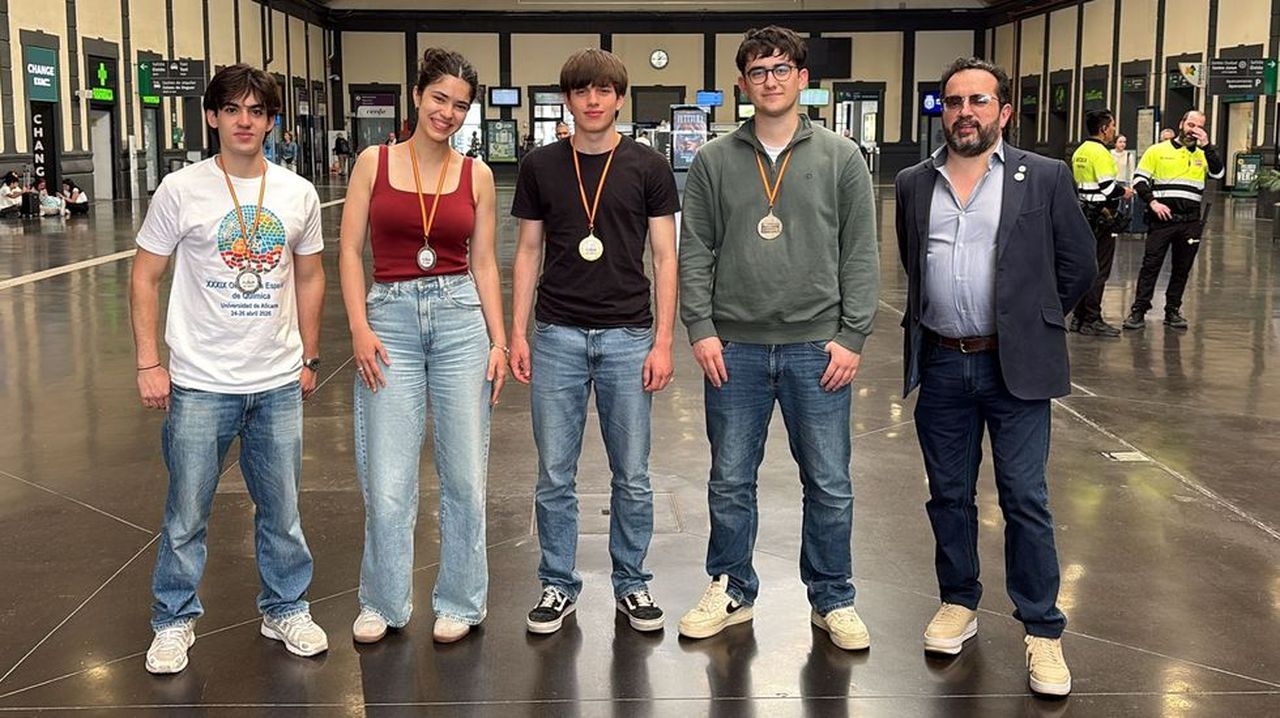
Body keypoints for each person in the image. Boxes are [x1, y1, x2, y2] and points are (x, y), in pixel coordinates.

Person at [893, 57, 1095, 697]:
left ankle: (1042, 630)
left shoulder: (1045, 178)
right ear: (942, 111)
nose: (966, 113)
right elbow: (911, 259)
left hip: (1016, 368)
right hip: (943, 361)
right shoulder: (913, 182)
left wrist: (1032, 320)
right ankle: (959, 601)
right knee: (947, 494)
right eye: (953, 102)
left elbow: (1079, 266)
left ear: (1004, 111)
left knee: (1024, 499)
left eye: (979, 101)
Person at [677, 26, 879, 650]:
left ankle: (833, 597)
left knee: (828, 481)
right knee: (730, 478)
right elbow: (696, 251)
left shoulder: (841, 157)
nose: (770, 79)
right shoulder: (713, 160)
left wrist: (852, 335)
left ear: (802, 79)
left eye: (782, 68)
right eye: (758, 70)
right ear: (742, 84)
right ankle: (731, 586)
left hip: (816, 350)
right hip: (733, 349)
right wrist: (702, 327)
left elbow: (860, 254)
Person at [129, 63, 328, 675]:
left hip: (274, 380)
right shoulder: (181, 189)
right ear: (213, 116)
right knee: (187, 511)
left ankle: (286, 607)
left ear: (272, 122)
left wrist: (309, 355)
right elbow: (145, 274)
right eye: (234, 110)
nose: (246, 121)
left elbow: (311, 274)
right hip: (200, 382)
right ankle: (173, 620)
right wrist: (148, 362)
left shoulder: (296, 192)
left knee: (283, 510)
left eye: (258, 111)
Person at [338, 48, 507, 646]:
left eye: (460, 105)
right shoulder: (373, 162)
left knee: (465, 474)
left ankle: (461, 599)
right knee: (387, 476)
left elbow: (485, 262)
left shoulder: (476, 175)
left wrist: (499, 340)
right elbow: (349, 252)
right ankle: (383, 600)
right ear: (417, 96)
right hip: (390, 319)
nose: (448, 113)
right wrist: (358, 326)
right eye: (439, 98)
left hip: (461, 319)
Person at [510, 47, 679, 635]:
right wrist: (517, 334)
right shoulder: (540, 165)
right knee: (555, 474)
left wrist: (662, 341)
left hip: (629, 336)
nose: (593, 101)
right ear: (568, 99)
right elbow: (527, 252)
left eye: (604, 91)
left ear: (619, 98)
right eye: (582, 91)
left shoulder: (647, 167)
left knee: (631, 473)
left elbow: (665, 256)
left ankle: (632, 584)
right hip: (556, 335)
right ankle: (558, 584)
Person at [1122, 110, 1224, 331]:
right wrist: (1152, 202)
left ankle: (1172, 310)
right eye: (1190, 124)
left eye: (1198, 126)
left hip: (1190, 222)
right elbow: (1139, 180)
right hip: (1162, 220)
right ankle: (1138, 310)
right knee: (1151, 265)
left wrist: (1207, 147)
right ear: (1181, 123)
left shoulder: (1202, 153)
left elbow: (1218, 173)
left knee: (1182, 268)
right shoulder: (1157, 150)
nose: (1193, 129)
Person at [1069, 108, 1132, 336]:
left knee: (1085, 266)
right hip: (1102, 216)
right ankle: (1092, 319)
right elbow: (1107, 188)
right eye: (1112, 125)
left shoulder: (1080, 151)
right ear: (1103, 128)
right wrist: (1124, 191)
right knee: (1100, 268)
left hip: (1083, 212)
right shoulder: (1102, 153)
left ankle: (1078, 317)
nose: (1114, 130)